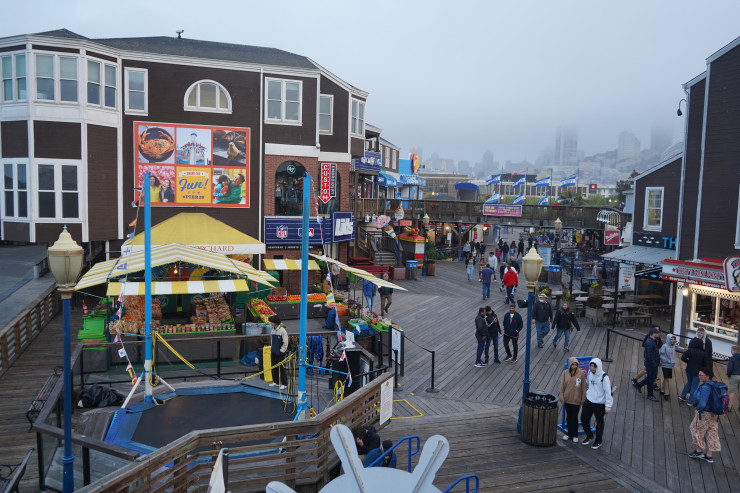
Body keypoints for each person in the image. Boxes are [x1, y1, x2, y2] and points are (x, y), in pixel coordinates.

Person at [688, 367, 721, 464]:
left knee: (696, 429)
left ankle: (698, 451)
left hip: (705, 413)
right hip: (714, 414)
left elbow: (703, 403)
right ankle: (709, 455)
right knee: (711, 433)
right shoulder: (715, 385)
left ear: (708, 376)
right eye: (699, 375)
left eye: (701, 375)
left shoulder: (706, 387)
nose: (699, 377)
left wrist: (698, 409)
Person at [581, 358, 612, 449]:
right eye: (591, 366)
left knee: (599, 423)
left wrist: (608, 406)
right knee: (583, 418)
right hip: (589, 400)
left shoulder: (604, 377)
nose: (592, 368)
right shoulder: (589, 373)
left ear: (598, 367)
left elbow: (608, 392)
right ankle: (589, 435)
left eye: (594, 367)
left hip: (600, 403)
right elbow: (588, 383)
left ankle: (599, 441)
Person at [560, 357, 587, 442]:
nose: (574, 366)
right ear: (570, 365)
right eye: (572, 364)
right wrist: (561, 395)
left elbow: (583, 387)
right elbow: (562, 385)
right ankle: (569, 433)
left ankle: (575, 434)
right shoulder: (565, 373)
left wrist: (583, 398)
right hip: (567, 398)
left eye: (576, 364)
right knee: (569, 417)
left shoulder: (581, 374)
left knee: (574, 417)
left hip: (576, 399)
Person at [679, 338, 712, 405]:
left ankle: (682, 396)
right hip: (698, 372)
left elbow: (683, 357)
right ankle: (691, 401)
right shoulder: (704, 354)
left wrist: (688, 361)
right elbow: (707, 364)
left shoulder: (690, 350)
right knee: (694, 386)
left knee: (689, 383)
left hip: (689, 370)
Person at [632, 327, 661, 402]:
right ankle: (650, 395)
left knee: (650, 378)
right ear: (653, 334)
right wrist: (655, 363)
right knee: (650, 380)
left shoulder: (653, 341)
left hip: (653, 364)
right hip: (651, 364)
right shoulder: (649, 343)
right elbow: (649, 356)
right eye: (657, 333)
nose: (659, 334)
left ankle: (638, 385)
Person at [268, 315, 289, 390]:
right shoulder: (272, 330)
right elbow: (272, 341)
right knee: (274, 367)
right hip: (273, 351)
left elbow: (285, 342)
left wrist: (282, 351)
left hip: (280, 353)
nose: (270, 323)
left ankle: (284, 383)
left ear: (275, 322)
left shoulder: (282, 331)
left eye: (271, 322)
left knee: (282, 368)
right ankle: (276, 381)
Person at [659, 334, 678, 400]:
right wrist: (667, 360)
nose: (673, 340)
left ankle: (662, 389)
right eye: (671, 339)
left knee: (666, 378)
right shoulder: (664, 346)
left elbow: (672, 355)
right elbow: (661, 355)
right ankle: (666, 393)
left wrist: (672, 361)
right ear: (668, 339)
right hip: (665, 364)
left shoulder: (673, 346)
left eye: (674, 339)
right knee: (666, 378)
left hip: (670, 365)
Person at [728, 345, 740, 411]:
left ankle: (729, 406)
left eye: (732, 350)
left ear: (735, 351)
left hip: (734, 376)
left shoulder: (732, 358)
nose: (731, 351)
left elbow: (730, 369)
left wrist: (729, 375)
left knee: (732, 392)